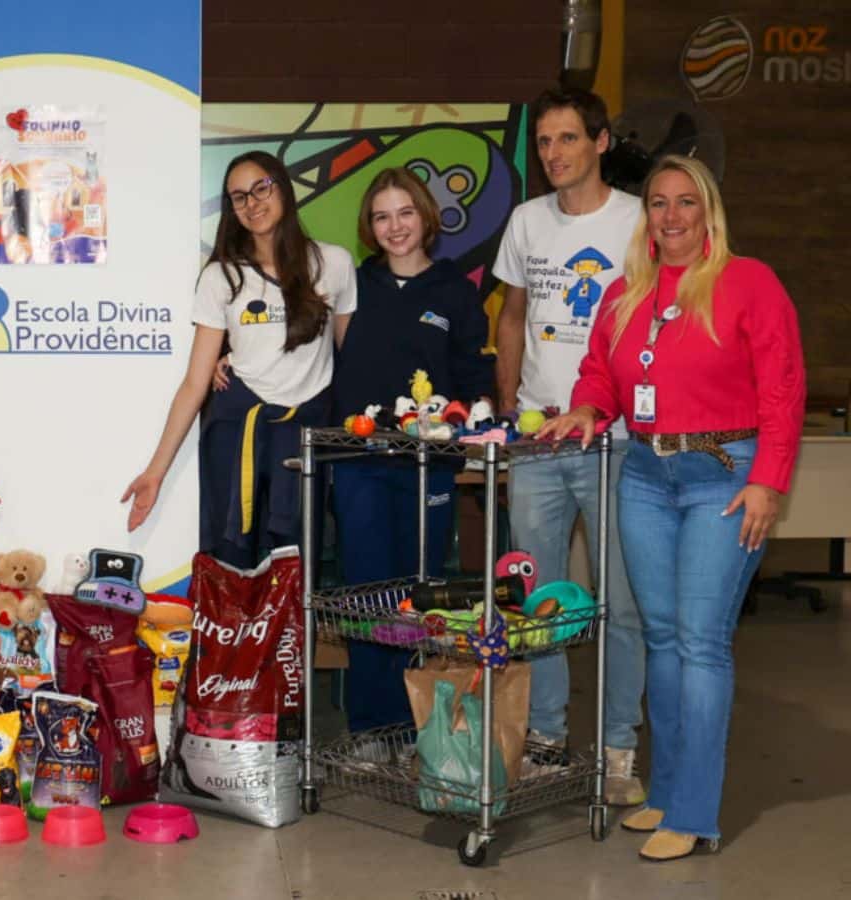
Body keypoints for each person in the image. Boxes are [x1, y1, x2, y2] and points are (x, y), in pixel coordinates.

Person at [540, 155, 804, 861]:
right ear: (647, 215)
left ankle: (693, 813)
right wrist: (587, 407)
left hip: (726, 476)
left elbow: (783, 390)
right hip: (647, 477)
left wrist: (768, 481)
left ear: (708, 211)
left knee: (700, 641)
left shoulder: (750, 284)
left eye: (687, 202)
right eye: (659, 203)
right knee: (659, 636)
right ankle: (663, 793)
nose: (672, 216)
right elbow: (602, 368)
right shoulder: (629, 292)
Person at [491, 87, 646, 800]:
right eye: (545, 143)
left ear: (601, 142)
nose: (553, 154)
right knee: (541, 603)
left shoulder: (640, 222)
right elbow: (513, 318)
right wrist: (506, 418)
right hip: (536, 444)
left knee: (621, 602)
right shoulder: (526, 220)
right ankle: (547, 736)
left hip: (618, 444)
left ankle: (617, 750)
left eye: (568, 140)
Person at [124, 150, 355, 569]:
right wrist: (155, 472)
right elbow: (195, 384)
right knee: (231, 559)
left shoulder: (334, 263)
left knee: (299, 563)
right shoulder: (221, 276)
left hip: (306, 432)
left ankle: (292, 639)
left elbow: (349, 356)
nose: (253, 203)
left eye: (261, 188)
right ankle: (232, 637)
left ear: (283, 187)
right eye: (239, 196)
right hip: (237, 428)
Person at [330, 167, 492, 734]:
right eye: (381, 216)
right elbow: (297, 344)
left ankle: (422, 725)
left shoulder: (455, 290)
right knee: (370, 596)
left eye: (404, 213)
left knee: (421, 594)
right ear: (369, 228)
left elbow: (475, 373)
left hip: (429, 469)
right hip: (359, 468)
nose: (394, 226)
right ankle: (373, 725)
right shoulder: (352, 285)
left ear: (426, 216)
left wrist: (484, 414)